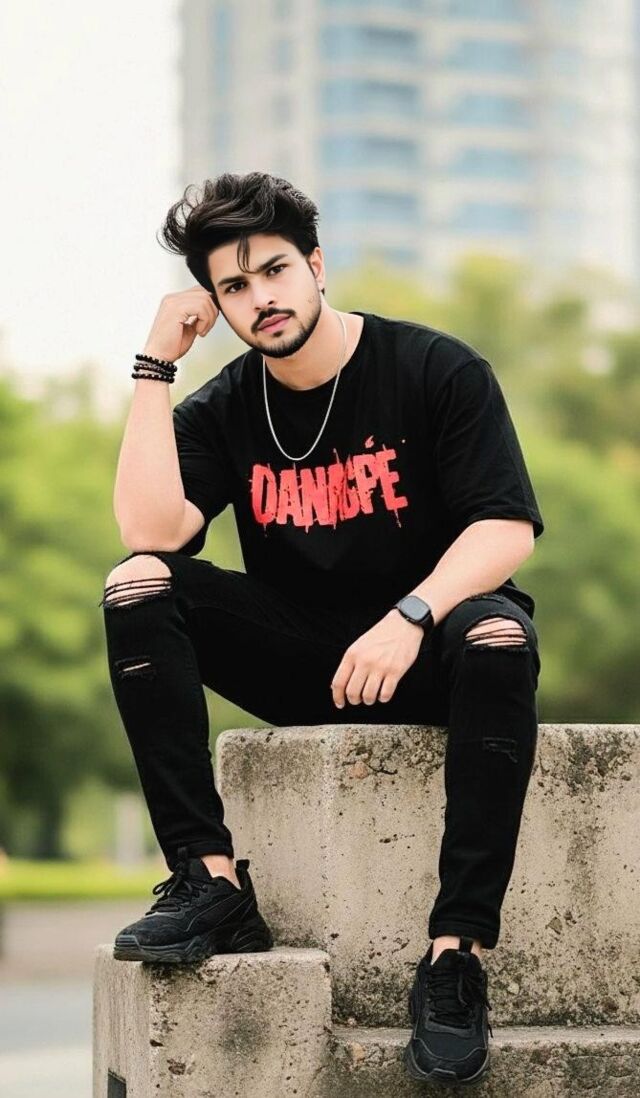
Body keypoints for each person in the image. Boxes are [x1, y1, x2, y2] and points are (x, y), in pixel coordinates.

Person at [101, 171, 543, 1086]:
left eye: (274, 270)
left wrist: (411, 615)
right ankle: (211, 883)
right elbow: (152, 530)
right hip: (308, 659)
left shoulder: (435, 368)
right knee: (137, 585)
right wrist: (153, 366)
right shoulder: (227, 405)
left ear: (316, 265)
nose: (260, 297)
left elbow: (505, 528)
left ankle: (455, 958)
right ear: (216, 304)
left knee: (500, 638)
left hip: (433, 645)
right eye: (233, 286)